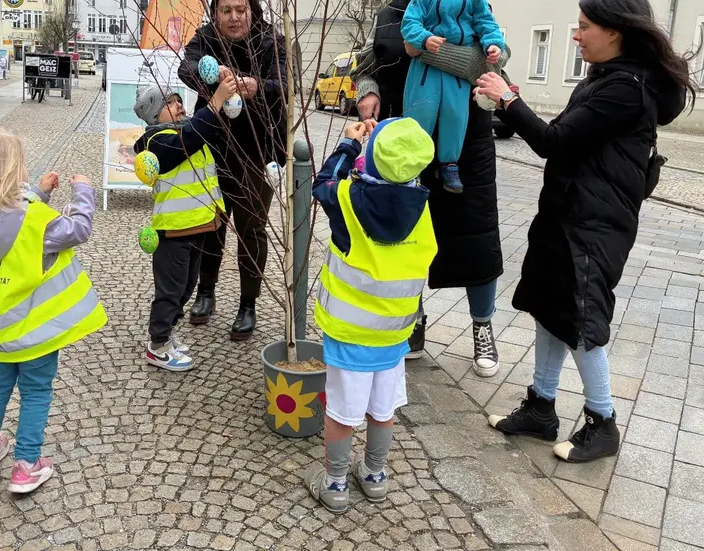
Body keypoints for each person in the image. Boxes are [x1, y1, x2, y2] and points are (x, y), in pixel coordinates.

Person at [477, 0, 695, 463]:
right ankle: (541, 407)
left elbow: (551, 142)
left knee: (581, 318)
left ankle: (603, 422)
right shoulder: (603, 77)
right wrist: (514, 103)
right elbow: (564, 134)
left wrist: (508, 100)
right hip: (567, 214)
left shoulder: (625, 88)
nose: (577, 35)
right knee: (548, 305)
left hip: (594, 225)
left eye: (584, 27)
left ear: (615, 31)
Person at [0, 128, 107, 493]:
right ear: (8, 174)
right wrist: (83, 190)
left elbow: (2, 221)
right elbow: (77, 229)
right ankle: (26, 465)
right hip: (37, 335)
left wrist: (40, 193)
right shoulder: (34, 220)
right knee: (35, 392)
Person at [352, 0, 506, 377]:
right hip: (406, 144)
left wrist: (420, 47)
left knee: (477, 236)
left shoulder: (472, 4)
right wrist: (366, 90)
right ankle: (413, 319)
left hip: (467, 141)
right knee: (407, 237)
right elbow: (368, 64)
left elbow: (486, 64)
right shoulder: (390, 12)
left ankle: (482, 325)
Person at [303, 117, 436, 513]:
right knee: (383, 409)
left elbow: (322, 182)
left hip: (350, 334)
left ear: (372, 161)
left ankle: (336, 483)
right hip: (395, 335)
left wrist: (349, 145)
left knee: (342, 412)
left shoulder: (348, 199)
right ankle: (375, 475)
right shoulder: (422, 207)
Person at [178, 0, 288, 341]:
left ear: (252, 11)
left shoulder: (271, 42)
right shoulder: (206, 38)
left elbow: (284, 85)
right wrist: (213, 76)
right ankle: (205, 292)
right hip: (213, 148)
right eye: (226, 10)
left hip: (258, 151)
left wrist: (257, 86)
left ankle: (247, 304)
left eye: (241, 9)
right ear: (216, 14)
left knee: (252, 228)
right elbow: (186, 67)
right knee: (211, 223)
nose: (234, 17)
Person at [132, 79, 236, 371]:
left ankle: (167, 335)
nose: (179, 105)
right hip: (173, 230)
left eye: (178, 100)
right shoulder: (156, 141)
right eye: (169, 102)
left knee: (188, 285)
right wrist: (214, 102)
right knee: (171, 290)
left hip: (198, 225)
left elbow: (202, 133)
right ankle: (158, 345)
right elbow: (187, 142)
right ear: (155, 114)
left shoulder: (185, 129)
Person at [401, 0, 503, 193]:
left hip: (456, 69)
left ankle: (449, 163)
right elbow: (410, 21)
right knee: (420, 111)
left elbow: (485, 21)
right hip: (426, 64)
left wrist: (494, 43)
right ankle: (411, 163)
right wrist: (423, 38)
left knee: (455, 114)